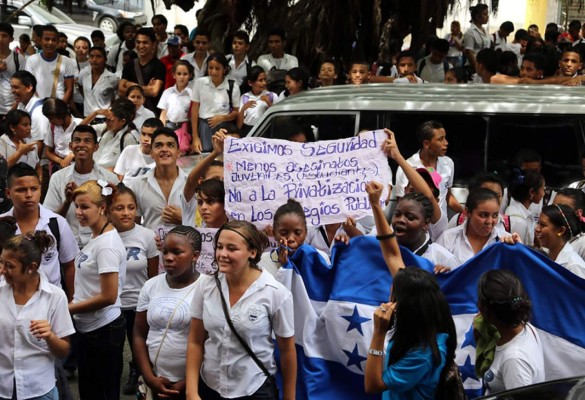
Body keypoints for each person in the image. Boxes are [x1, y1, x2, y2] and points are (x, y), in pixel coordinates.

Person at [364, 180, 457, 399]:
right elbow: (392, 253)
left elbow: (373, 384)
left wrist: (378, 333)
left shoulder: (422, 355)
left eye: (395, 292)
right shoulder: (425, 328)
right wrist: (376, 205)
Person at [186, 220, 297, 400]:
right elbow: (195, 340)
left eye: (232, 248)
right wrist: (191, 392)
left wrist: (290, 398)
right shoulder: (205, 286)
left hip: (254, 389)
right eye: (219, 246)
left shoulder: (276, 293)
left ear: (252, 253)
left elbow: (287, 351)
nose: (222, 254)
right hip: (210, 386)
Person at [69, 180, 127, 400]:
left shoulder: (107, 245)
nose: (78, 212)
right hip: (88, 328)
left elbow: (109, 296)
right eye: (77, 206)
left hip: (103, 330)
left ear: (102, 207)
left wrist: (68, 308)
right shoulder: (96, 236)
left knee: (102, 394)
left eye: (85, 207)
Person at [0, 231, 75, 400]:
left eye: (10, 266)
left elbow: (63, 350)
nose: (3, 270)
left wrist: (50, 336)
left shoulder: (55, 297)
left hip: (38, 390)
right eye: (1, 263)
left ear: (31, 267)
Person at [134, 226, 201, 399]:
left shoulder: (208, 289)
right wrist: (150, 378)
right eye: (165, 252)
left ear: (195, 256)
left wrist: (187, 383)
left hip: (194, 385)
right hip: (155, 379)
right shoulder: (151, 285)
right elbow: (139, 334)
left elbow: (212, 344)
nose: (168, 258)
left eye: (177, 252)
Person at [109, 184, 159, 395]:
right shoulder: (103, 236)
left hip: (139, 305)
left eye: (131, 207)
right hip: (112, 305)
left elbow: (153, 276)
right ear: (108, 210)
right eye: (119, 208)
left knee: (141, 345)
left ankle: (137, 373)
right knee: (113, 351)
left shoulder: (147, 236)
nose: (126, 213)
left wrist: (149, 304)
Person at [2, 162, 78, 299]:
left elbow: (69, 266)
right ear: (8, 193)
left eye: (34, 189)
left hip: (51, 304)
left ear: (40, 189)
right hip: (9, 304)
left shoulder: (57, 223)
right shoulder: (2, 224)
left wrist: (71, 302)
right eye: (21, 190)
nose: (29, 195)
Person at [43, 125, 119, 248]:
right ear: (70, 146)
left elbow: (115, 216)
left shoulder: (109, 179)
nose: (81, 145)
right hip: (67, 245)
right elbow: (49, 219)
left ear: (96, 147)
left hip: (99, 244)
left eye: (87, 141)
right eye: (77, 140)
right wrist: (67, 202)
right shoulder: (57, 178)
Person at [476, 270, 544, 394]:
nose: (477, 304)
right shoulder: (524, 326)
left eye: (480, 300)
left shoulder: (514, 361)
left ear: (486, 310)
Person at [394, 120, 461, 240]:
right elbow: (401, 203)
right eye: (440, 139)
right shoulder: (406, 167)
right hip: (414, 231)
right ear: (426, 143)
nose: (446, 143)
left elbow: (447, 195)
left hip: (440, 231)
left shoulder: (448, 163)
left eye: (445, 138)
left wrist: (465, 213)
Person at [130, 128, 196, 231]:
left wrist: (185, 219)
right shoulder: (137, 184)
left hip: (185, 245)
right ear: (151, 153)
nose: (164, 149)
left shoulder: (192, 184)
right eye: (158, 145)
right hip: (151, 246)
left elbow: (205, 224)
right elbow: (134, 226)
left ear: (178, 153)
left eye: (170, 145)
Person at [436, 188, 511, 265]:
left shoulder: (506, 241)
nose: (489, 221)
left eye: (495, 215)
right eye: (483, 215)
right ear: (467, 212)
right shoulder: (447, 239)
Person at [259, 198, 331, 277]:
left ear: (306, 233)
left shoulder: (320, 259)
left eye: (297, 233)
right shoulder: (263, 262)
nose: (291, 239)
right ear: (274, 234)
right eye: (284, 233)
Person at [190, 53, 240, 154]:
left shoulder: (233, 86)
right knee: (205, 155)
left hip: (224, 127)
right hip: (204, 126)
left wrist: (222, 118)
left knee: (223, 155)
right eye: (210, 68)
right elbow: (194, 110)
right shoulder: (200, 83)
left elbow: (236, 113)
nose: (213, 72)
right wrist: (195, 137)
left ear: (225, 69)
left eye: (217, 68)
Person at [82, 97, 140, 171]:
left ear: (122, 121)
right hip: (92, 170)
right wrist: (96, 113)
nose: (107, 122)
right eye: (106, 119)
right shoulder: (106, 128)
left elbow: (132, 165)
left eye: (111, 120)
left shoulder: (129, 138)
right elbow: (80, 130)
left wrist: (114, 170)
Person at [119, 27, 166, 116]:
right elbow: (121, 90)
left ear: (153, 44)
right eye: (138, 42)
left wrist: (131, 85)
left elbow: (154, 91)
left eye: (145, 42)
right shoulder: (130, 64)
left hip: (151, 113)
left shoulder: (159, 66)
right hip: (130, 114)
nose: (141, 46)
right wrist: (146, 88)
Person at [24, 25, 74, 102]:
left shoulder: (66, 61)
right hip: (37, 106)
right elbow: (28, 86)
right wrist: (38, 105)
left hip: (58, 107)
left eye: (53, 40)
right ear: (40, 40)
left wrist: (60, 106)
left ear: (57, 42)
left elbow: (69, 89)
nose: (50, 43)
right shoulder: (31, 60)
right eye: (47, 39)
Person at [535, 204, 585, 278]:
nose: (537, 229)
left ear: (561, 230)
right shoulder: (544, 254)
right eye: (538, 223)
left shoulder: (573, 266)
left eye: (543, 225)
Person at [11, 71, 49, 161]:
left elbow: (38, 143)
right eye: (11, 87)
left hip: (38, 162)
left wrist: (33, 168)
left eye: (16, 87)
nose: (12, 91)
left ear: (29, 88)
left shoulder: (38, 113)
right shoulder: (21, 104)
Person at [114, 117, 163, 185]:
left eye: (150, 135)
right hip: (127, 192)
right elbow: (119, 177)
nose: (145, 139)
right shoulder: (129, 150)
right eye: (143, 134)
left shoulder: (163, 157)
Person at [158, 60, 194, 150]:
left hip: (186, 128)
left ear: (190, 75)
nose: (182, 77)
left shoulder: (193, 93)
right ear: (174, 75)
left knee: (182, 151)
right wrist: (161, 131)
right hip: (169, 126)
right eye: (179, 74)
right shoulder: (167, 92)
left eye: (185, 74)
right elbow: (163, 115)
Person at [505, 169, 545, 246]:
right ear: (532, 192)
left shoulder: (522, 213)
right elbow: (519, 250)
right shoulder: (518, 220)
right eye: (543, 188)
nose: (544, 193)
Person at [42, 98, 81, 175]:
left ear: (61, 115)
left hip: (76, 165)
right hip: (58, 165)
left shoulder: (79, 124)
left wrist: (71, 155)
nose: (50, 121)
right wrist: (62, 162)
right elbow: (48, 151)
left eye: (52, 119)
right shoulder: (52, 127)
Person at [79, 46, 118, 117]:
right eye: (91, 56)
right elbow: (80, 86)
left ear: (105, 59)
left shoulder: (112, 78)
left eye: (98, 57)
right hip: (87, 116)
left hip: (103, 118)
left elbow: (116, 96)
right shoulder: (84, 73)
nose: (94, 60)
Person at [237, 66, 277, 135]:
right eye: (260, 80)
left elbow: (277, 119)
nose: (264, 83)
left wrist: (269, 103)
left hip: (265, 131)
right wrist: (243, 109)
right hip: (247, 131)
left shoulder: (272, 96)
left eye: (265, 79)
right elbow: (239, 126)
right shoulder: (245, 97)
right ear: (250, 83)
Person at [0, 23, 26, 126]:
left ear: (11, 39)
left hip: (11, 109)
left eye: (4, 36)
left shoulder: (18, 59)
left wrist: (15, 106)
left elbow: (24, 85)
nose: (0, 39)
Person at [0, 109, 40, 175]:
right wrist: (20, 152)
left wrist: (40, 181)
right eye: (25, 125)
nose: (29, 127)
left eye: (30, 124)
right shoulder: (2, 142)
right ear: (12, 127)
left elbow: (38, 166)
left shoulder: (31, 142)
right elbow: (2, 167)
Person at [552, 188, 585, 260]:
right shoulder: (550, 233)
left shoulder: (583, 244)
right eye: (553, 207)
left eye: (561, 208)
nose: (554, 211)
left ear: (578, 213)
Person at [464, 4, 491, 73]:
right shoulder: (470, 32)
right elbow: (469, 52)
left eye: (487, 14)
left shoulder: (485, 31)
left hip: (485, 66)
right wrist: (477, 69)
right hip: (474, 67)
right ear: (477, 17)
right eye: (485, 14)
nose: (487, 16)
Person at [71, 36, 91, 116]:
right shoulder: (69, 63)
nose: (81, 50)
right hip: (73, 101)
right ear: (73, 48)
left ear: (89, 49)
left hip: (89, 102)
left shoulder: (92, 64)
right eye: (78, 47)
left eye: (84, 47)